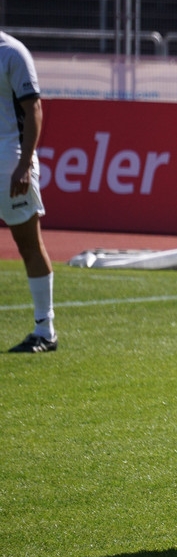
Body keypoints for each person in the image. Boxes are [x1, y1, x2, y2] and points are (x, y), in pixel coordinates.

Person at [1, 31, 57, 354]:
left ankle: (45, 330)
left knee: (29, 244)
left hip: (9, 162)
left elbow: (34, 108)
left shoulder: (12, 53)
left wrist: (23, 165)